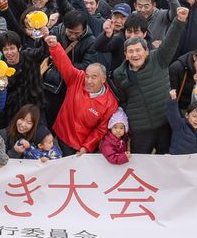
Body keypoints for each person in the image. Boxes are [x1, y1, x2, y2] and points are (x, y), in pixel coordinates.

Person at [112, 8, 187, 154]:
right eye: (131, 51)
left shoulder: (159, 58)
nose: (135, 54)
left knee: (166, 160)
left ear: (146, 51)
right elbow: (123, 99)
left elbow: (171, 41)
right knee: (140, 164)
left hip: (165, 123)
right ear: (125, 55)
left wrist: (179, 21)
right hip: (140, 129)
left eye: (138, 50)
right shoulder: (119, 74)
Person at [46, 34, 117, 156]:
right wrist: (55, 47)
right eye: (87, 76)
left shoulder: (110, 103)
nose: (89, 81)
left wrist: (87, 147)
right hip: (62, 136)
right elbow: (65, 64)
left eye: (94, 77)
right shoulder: (77, 78)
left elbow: (101, 129)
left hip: (82, 146)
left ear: (104, 79)